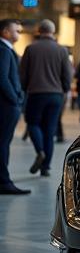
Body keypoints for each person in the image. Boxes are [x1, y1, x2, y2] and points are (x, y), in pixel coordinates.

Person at [19, 19, 73, 178]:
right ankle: (46, 167)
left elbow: (23, 74)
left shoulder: (30, 48)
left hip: (36, 93)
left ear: (38, 30)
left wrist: (25, 88)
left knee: (33, 123)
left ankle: (40, 151)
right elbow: (68, 75)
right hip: (56, 95)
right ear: (53, 31)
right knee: (49, 130)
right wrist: (64, 89)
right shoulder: (62, 50)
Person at [0, 18, 28, 195]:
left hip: (9, 104)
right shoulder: (3, 50)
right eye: (16, 30)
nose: (19, 33)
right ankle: (4, 181)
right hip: (6, 106)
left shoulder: (7, 50)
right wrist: (15, 99)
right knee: (3, 143)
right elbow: (2, 78)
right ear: (5, 32)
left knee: (4, 142)